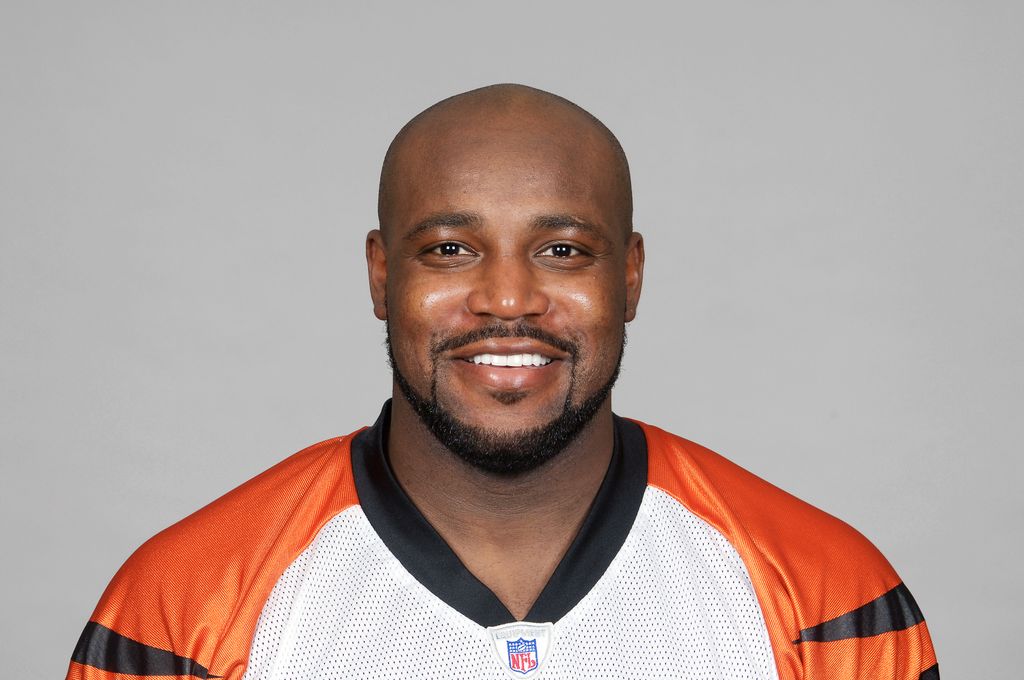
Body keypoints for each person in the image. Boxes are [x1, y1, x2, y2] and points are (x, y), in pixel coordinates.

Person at [67, 84, 938, 680]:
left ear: (630, 277)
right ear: (380, 276)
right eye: (450, 249)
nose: (509, 299)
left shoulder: (827, 596)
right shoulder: (181, 605)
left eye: (563, 251)